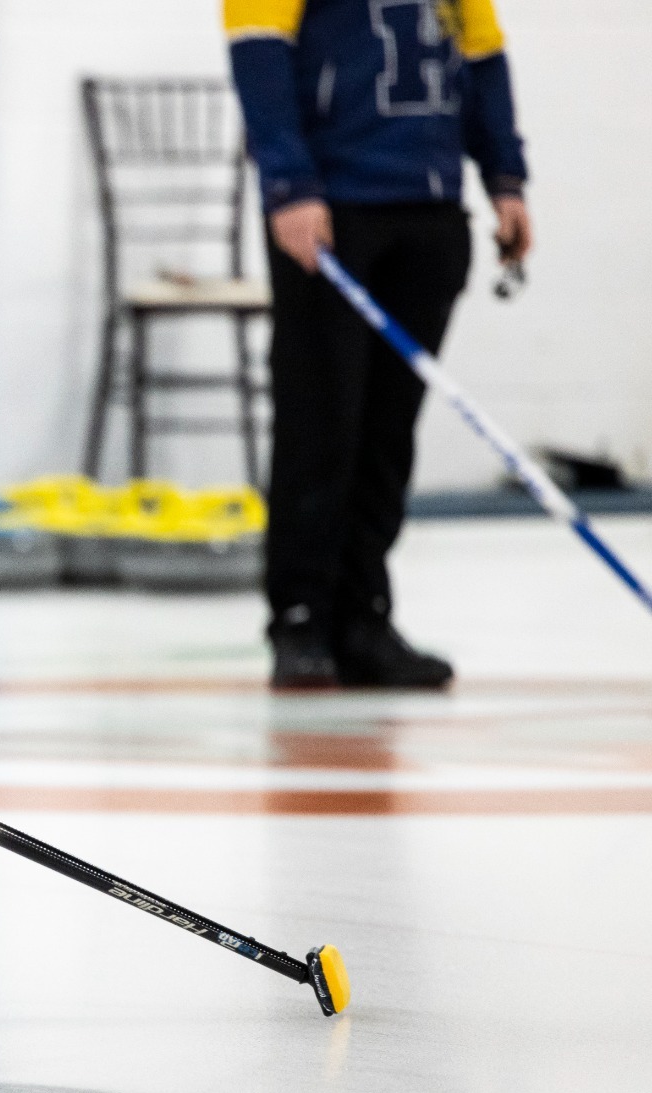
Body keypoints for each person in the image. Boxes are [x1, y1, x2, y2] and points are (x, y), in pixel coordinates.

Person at [226, 0, 532, 688]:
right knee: (320, 420)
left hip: (430, 208)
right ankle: (301, 619)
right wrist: (289, 185)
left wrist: (506, 177)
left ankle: (364, 619)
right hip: (333, 212)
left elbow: (481, 57)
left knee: (388, 431)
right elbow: (257, 54)